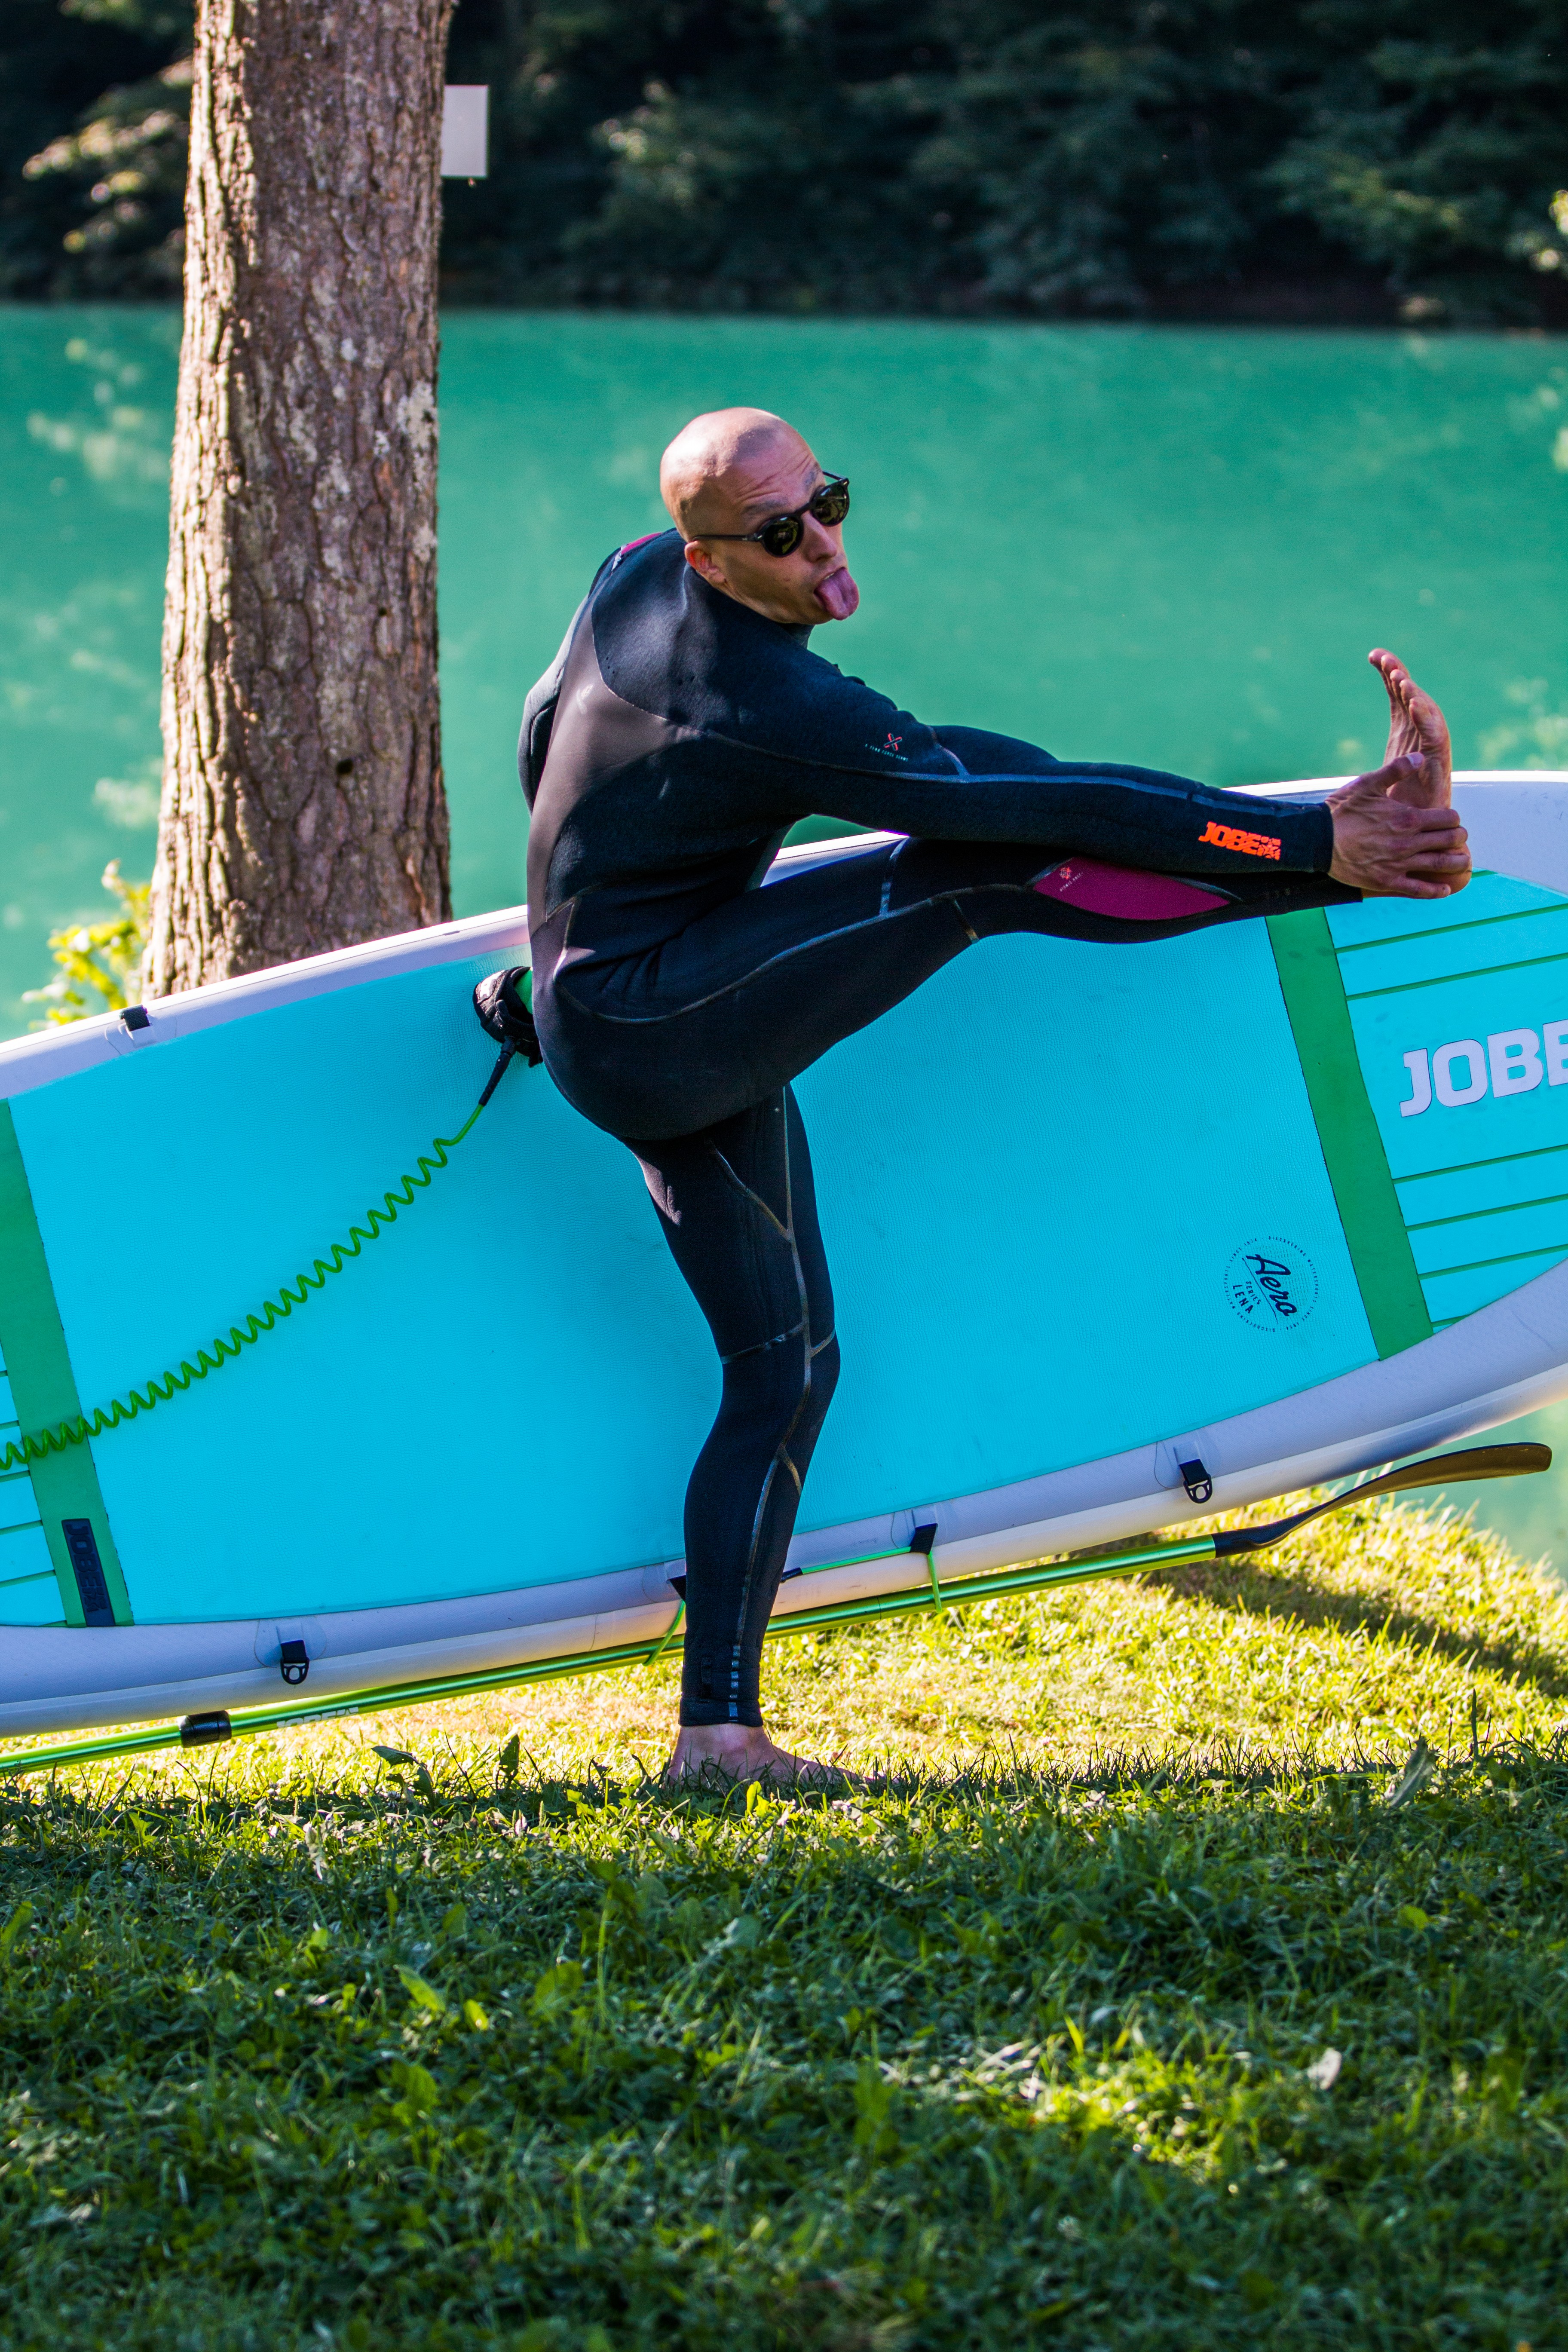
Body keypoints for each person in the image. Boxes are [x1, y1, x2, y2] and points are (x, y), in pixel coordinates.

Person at [477, 405, 1470, 1788]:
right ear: (712, 560)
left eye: (829, 501)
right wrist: (1314, 849)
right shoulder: (772, 707)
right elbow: (1027, 827)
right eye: (782, 533)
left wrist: (568, 937)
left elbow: (545, 734)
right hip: (667, 1034)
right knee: (982, 864)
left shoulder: (633, 574)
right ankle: (1350, 866)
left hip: (618, 1003)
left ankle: (718, 1737)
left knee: (790, 1366)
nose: (824, 545)